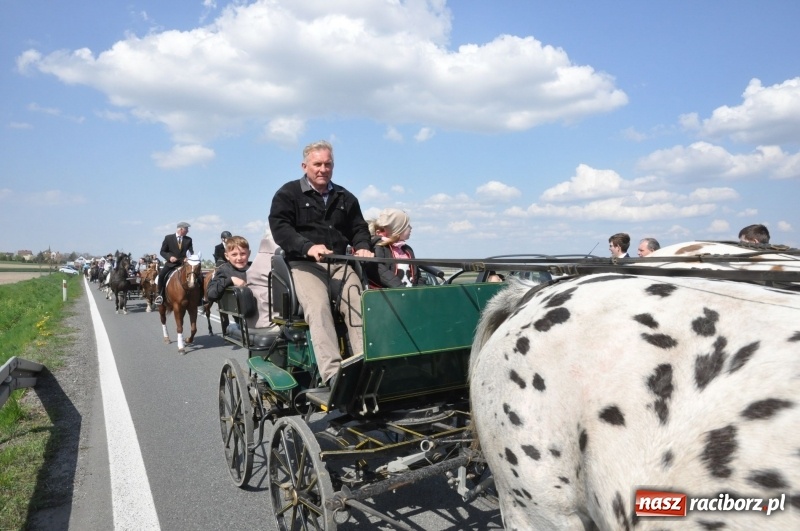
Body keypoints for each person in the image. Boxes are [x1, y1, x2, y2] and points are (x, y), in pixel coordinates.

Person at [268, 140, 374, 387]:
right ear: (305, 166)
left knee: (359, 304)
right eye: (317, 164)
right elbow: (281, 228)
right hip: (304, 265)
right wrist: (308, 247)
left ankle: (364, 367)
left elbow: (359, 228)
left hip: (340, 264)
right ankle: (334, 375)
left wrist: (363, 247)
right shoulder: (287, 194)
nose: (323, 169)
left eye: (328, 164)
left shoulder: (346, 197)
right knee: (318, 307)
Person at [367, 208, 418, 288]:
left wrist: (420, 290)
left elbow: (417, 273)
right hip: (390, 294)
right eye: (407, 225)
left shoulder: (407, 250)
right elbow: (379, 270)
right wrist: (399, 287)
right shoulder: (379, 247)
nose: (411, 228)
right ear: (397, 229)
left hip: (409, 294)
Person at [154, 221, 194, 306]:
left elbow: (191, 251)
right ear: (181, 229)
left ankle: (200, 298)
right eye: (186, 229)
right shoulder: (168, 238)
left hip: (183, 264)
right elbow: (162, 251)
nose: (188, 231)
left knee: (197, 276)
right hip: (171, 264)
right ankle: (159, 295)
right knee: (161, 276)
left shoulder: (188, 240)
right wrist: (169, 257)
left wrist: (188, 257)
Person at [207, 235, 250, 302]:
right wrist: (230, 280)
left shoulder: (255, 268)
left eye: (243, 254)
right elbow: (211, 294)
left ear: (249, 253)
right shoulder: (224, 271)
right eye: (234, 255)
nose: (239, 258)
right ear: (227, 256)